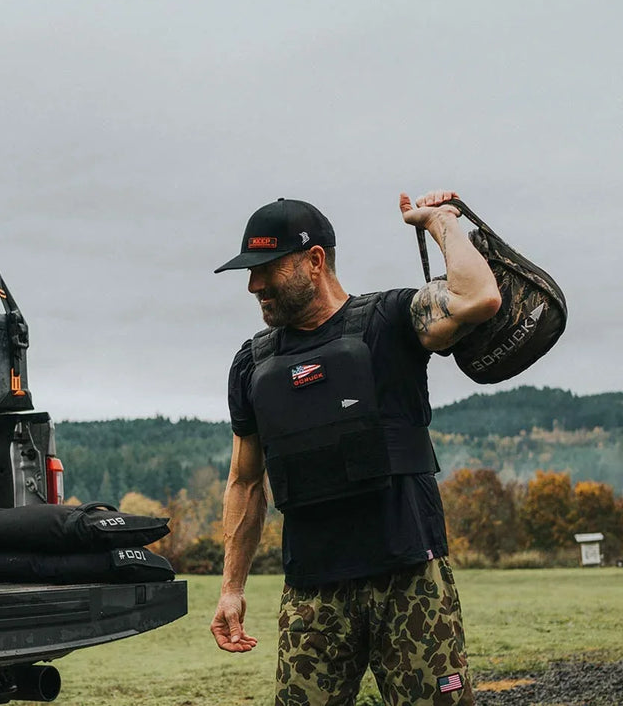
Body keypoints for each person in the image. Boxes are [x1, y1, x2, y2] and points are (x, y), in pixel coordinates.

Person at [209, 191, 502, 706]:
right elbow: (246, 481)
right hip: (312, 593)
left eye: (267, 268)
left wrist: (439, 222)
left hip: (409, 577)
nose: (254, 285)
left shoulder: (391, 320)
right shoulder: (252, 363)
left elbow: (481, 298)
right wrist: (231, 587)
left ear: (314, 261)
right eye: (249, 272)